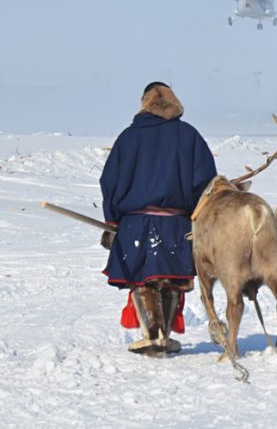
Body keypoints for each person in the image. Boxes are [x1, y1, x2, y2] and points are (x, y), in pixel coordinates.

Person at [100, 82, 217, 354]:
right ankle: (163, 335)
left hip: (135, 223)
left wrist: (112, 221)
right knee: (170, 278)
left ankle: (152, 335)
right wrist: (199, 217)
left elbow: (110, 182)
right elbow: (206, 182)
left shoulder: (128, 137)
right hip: (177, 223)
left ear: (144, 102)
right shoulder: (189, 135)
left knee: (143, 278)